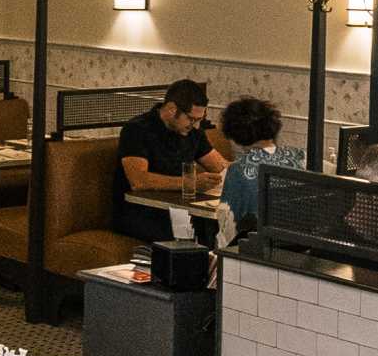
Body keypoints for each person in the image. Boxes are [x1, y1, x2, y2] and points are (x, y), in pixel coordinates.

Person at [115, 78, 224, 239]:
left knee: (225, 228)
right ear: (172, 109)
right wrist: (189, 183)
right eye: (191, 119)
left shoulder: (193, 131)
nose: (195, 125)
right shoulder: (137, 129)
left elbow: (219, 166)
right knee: (197, 236)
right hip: (140, 213)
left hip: (181, 209)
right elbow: (138, 180)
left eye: (199, 120)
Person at [216, 96, 288, 230]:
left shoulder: (239, 169)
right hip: (295, 241)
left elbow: (227, 222)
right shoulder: (299, 157)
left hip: (253, 242)